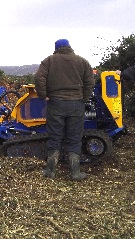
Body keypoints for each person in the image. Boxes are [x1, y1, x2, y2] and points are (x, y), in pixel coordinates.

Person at [34, 39, 95, 181]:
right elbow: (90, 82)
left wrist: (44, 96)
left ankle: (50, 171)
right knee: (74, 138)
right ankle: (75, 173)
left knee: (55, 137)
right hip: (76, 105)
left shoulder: (49, 61)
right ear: (69, 46)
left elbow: (38, 78)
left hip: (56, 104)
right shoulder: (82, 62)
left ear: (56, 48)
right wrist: (83, 98)